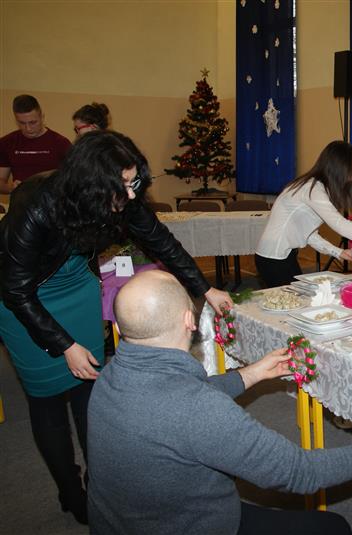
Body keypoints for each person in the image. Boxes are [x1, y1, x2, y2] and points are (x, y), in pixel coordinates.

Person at [0, 130, 232, 525]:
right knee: (48, 399)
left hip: (74, 285)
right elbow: (15, 289)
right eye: (121, 185)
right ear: (91, 183)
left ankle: (100, 483)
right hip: (24, 297)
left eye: (133, 182)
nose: (130, 194)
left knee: (89, 389)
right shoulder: (36, 205)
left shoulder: (123, 199)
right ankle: (70, 492)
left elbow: (161, 241)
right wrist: (65, 344)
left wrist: (205, 288)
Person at [88, 269, 352, 534]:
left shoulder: (110, 378)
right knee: (334, 528)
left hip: (126, 523)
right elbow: (299, 472)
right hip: (190, 525)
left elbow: (183, 398)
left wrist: (251, 374)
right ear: (189, 321)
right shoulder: (199, 410)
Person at [255, 140, 352, 287]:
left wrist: (338, 252)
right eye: (350, 172)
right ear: (337, 167)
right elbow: (339, 224)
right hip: (273, 258)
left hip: (279, 256)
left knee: (299, 296)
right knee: (295, 298)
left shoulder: (312, 187)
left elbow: (308, 234)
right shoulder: (312, 189)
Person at [0, 94, 71, 193]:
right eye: (22, 123)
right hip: (20, 201)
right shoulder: (7, 143)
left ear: (42, 117)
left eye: (33, 122)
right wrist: (10, 188)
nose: (28, 128)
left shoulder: (61, 143)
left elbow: (73, 181)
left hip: (51, 201)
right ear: (16, 120)